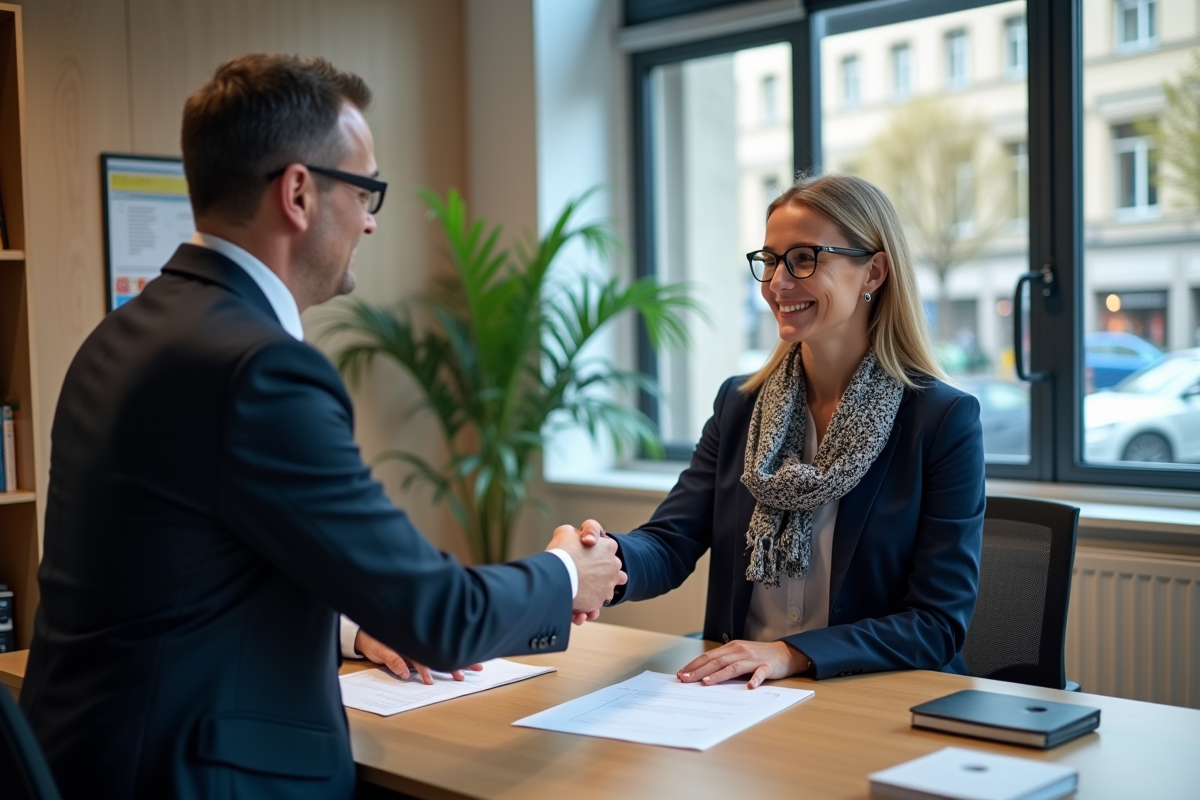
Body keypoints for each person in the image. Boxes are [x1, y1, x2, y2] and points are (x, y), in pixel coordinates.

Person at [19, 54, 624, 800]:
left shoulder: (127, 332)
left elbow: (192, 567)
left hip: (94, 759)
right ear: (299, 192)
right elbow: (438, 613)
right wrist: (568, 572)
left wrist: (351, 627)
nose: (371, 220)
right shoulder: (259, 368)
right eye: (367, 190)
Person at [586, 173, 984, 689]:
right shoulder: (739, 405)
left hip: (868, 693)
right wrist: (603, 561)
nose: (777, 283)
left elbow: (936, 623)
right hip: (738, 695)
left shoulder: (941, 420)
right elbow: (670, 541)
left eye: (803, 258)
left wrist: (789, 653)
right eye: (770, 260)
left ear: (874, 272)